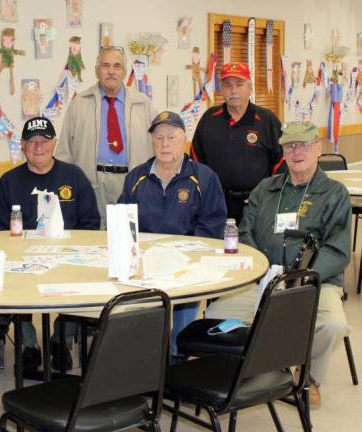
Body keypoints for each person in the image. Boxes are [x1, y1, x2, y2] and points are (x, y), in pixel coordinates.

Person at [205, 121, 350, 408]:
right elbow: (245, 232)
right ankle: (259, 365)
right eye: (290, 145)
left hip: (313, 284)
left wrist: (300, 279)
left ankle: (308, 377)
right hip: (264, 281)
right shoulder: (265, 189)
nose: (297, 151)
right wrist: (263, 272)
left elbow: (338, 248)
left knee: (332, 324)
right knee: (215, 315)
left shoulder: (334, 194)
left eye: (304, 144)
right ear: (283, 151)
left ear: (318, 148)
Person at [0, 116, 100, 373]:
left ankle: (60, 340)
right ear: (23, 145)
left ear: (54, 144)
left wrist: (75, 252)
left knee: (79, 282)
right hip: (21, 260)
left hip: (68, 257)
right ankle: (29, 344)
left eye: (44, 141)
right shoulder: (9, 181)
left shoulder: (74, 176)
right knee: (13, 287)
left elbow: (91, 223)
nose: (38, 147)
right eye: (32, 141)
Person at [118, 111, 227, 356]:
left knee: (182, 327)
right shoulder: (136, 177)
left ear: (183, 140)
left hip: (187, 266)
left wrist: (184, 258)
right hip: (144, 266)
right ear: (152, 142)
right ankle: (145, 362)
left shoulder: (205, 178)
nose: (165, 144)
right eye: (159, 139)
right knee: (142, 326)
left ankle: (176, 359)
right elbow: (123, 223)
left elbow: (212, 225)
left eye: (171, 138)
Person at [55, 45, 155, 226]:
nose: (111, 71)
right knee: (93, 240)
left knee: (129, 237)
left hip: (131, 182)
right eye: (105, 65)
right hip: (92, 184)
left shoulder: (144, 104)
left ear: (124, 71)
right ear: (96, 71)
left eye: (117, 66)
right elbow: (64, 152)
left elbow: (158, 147)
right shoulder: (79, 104)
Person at [191, 61, 284, 223]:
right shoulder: (209, 119)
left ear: (250, 88)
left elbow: (281, 162)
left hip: (255, 205)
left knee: (252, 248)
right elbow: (196, 160)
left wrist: (268, 195)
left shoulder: (267, 120)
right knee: (217, 247)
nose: (233, 90)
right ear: (221, 89)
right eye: (228, 85)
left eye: (239, 84)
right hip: (215, 203)